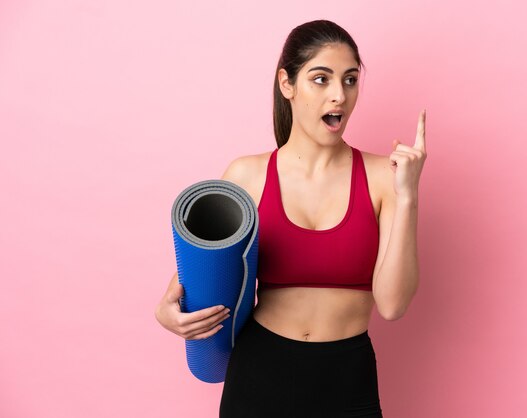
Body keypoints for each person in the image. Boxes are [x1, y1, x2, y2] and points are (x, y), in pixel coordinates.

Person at [155, 19, 426, 418]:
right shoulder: (246, 176)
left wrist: (408, 196)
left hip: (347, 380)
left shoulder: (384, 177)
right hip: (259, 374)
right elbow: (189, 284)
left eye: (350, 81)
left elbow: (392, 305)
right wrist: (167, 314)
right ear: (287, 84)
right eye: (322, 79)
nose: (339, 95)